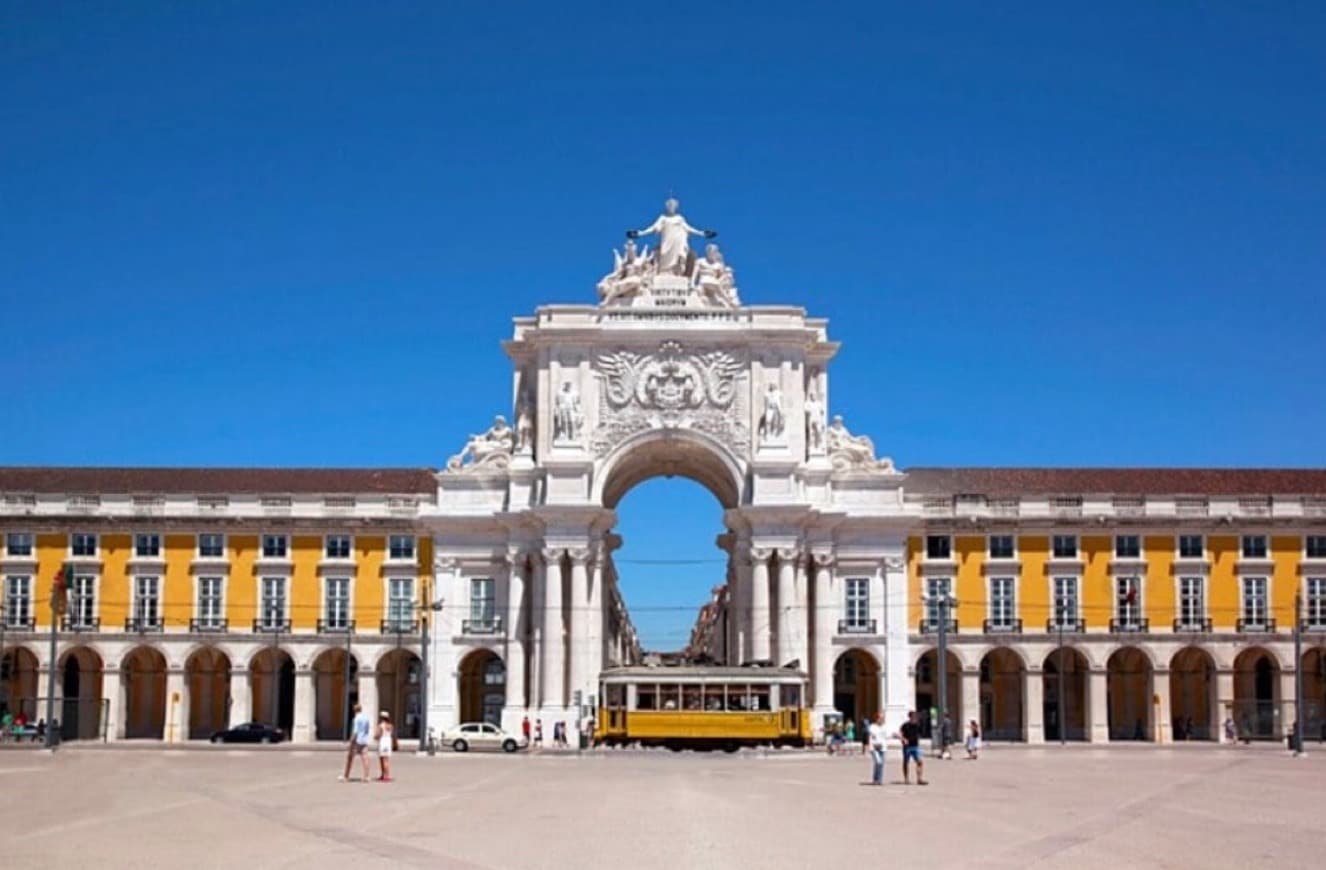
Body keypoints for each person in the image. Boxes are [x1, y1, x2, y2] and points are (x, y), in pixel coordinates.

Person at [339, 703, 372, 782]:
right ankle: (367, 776)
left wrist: (351, 741)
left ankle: (346, 776)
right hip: (364, 740)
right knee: (365, 758)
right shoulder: (366, 718)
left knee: (350, 758)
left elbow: (355, 732)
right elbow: (367, 729)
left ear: (354, 710)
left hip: (357, 741)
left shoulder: (356, 719)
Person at [897, 710, 928, 785]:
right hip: (907, 747)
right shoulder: (905, 725)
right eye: (913, 717)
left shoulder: (918, 725)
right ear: (910, 717)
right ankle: (906, 779)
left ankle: (919, 779)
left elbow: (921, 733)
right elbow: (900, 733)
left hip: (915, 746)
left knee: (920, 762)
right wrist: (903, 739)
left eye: (916, 717)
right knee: (906, 762)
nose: (915, 718)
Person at [867, 712, 887, 786]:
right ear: (877, 719)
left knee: (881, 764)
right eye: (880, 718)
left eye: (883, 718)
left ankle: (879, 780)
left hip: (883, 747)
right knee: (878, 762)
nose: (882, 720)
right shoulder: (872, 727)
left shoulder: (885, 727)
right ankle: (875, 779)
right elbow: (872, 735)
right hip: (874, 748)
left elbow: (889, 734)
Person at [375, 711, 394, 782]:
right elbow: (391, 734)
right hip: (388, 741)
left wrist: (375, 737)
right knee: (386, 759)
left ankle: (384, 775)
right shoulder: (390, 725)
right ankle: (386, 775)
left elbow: (378, 734)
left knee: (382, 759)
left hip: (382, 741)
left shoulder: (380, 725)